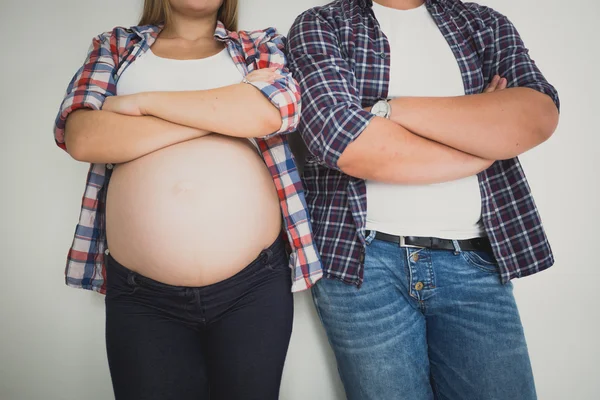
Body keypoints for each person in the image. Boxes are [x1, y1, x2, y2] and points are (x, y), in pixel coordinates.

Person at [287, 0, 559, 399]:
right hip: (364, 266)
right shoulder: (323, 23)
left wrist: (389, 111)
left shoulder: (483, 24)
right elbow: (343, 142)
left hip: (475, 263)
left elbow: (536, 115)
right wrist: (481, 139)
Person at [53, 0, 323, 398]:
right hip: (143, 297)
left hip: (254, 286)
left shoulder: (259, 45)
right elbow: (82, 136)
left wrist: (140, 104)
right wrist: (223, 113)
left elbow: (271, 114)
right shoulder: (116, 47)